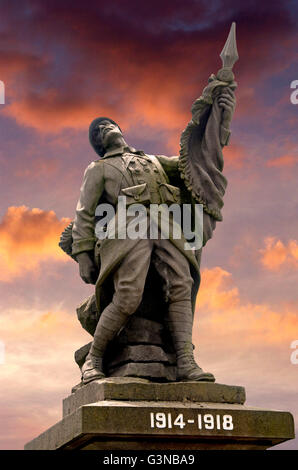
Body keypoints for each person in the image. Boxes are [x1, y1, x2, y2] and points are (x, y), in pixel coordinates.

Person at [71, 85, 236, 384]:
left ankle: (185, 361)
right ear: (98, 145)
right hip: (127, 226)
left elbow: (195, 163)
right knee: (128, 296)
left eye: (108, 124)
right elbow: (84, 211)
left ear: (120, 130)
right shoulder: (98, 168)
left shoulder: (155, 161)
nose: (104, 129)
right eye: (98, 132)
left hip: (166, 223)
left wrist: (216, 117)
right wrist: (83, 254)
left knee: (181, 284)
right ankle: (94, 360)